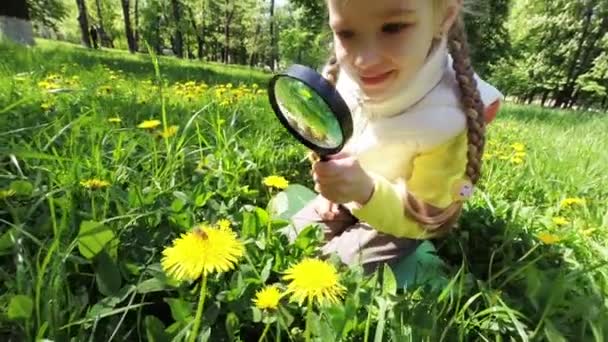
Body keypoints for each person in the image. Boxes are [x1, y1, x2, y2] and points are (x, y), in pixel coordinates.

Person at [286, 0, 503, 274]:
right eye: (346, 34)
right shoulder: (345, 76)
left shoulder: (451, 116)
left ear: (444, 17)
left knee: (332, 270)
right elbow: (324, 132)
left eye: (394, 28)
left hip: (405, 216)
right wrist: (333, 181)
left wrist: (366, 192)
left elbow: (428, 213)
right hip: (350, 195)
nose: (365, 60)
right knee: (288, 242)